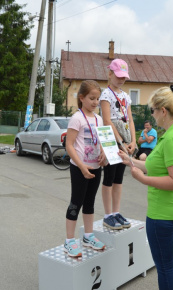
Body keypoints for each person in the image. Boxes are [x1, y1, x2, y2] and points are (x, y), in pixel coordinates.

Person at [119, 85, 173, 290]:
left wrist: (143, 179)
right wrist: (130, 161)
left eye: (153, 110)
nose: (152, 115)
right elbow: (157, 167)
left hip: (164, 212)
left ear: (163, 111)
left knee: (163, 266)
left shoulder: (172, 138)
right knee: (168, 262)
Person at [64, 80, 107, 257]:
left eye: (97, 98)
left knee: (90, 202)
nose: (96, 102)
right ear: (81, 98)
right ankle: (69, 241)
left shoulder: (99, 119)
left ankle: (88, 237)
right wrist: (81, 166)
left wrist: (104, 153)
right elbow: (69, 145)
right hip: (79, 168)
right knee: (76, 202)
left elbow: (103, 141)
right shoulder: (77, 118)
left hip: (96, 168)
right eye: (92, 98)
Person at [100, 58, 136, 230]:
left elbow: (130, 119)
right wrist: (120, 142)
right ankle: (108, 215)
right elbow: (107, 120)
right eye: (118, 76)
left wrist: (133, 141)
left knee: (119, 178)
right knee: (109, 177)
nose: (121, 80)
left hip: (125, 138)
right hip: (111, 139)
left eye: (124, 77)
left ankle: (116, 212)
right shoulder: (105, 94)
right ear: (110, 74)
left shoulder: (126, 96)